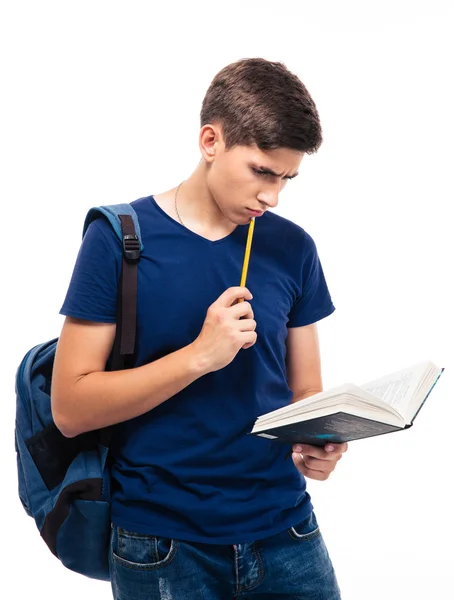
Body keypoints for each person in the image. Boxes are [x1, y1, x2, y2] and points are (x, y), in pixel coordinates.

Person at [51, 57, 348, 600]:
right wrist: (199, 355)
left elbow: (305, 391)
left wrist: (317, 442)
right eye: (261, 171)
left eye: (287, 179)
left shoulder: (293, 247)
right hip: (161, 543)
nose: (272, 197)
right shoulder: (118, 238)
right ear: (211, 141)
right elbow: (71, 409)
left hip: (287, 531)